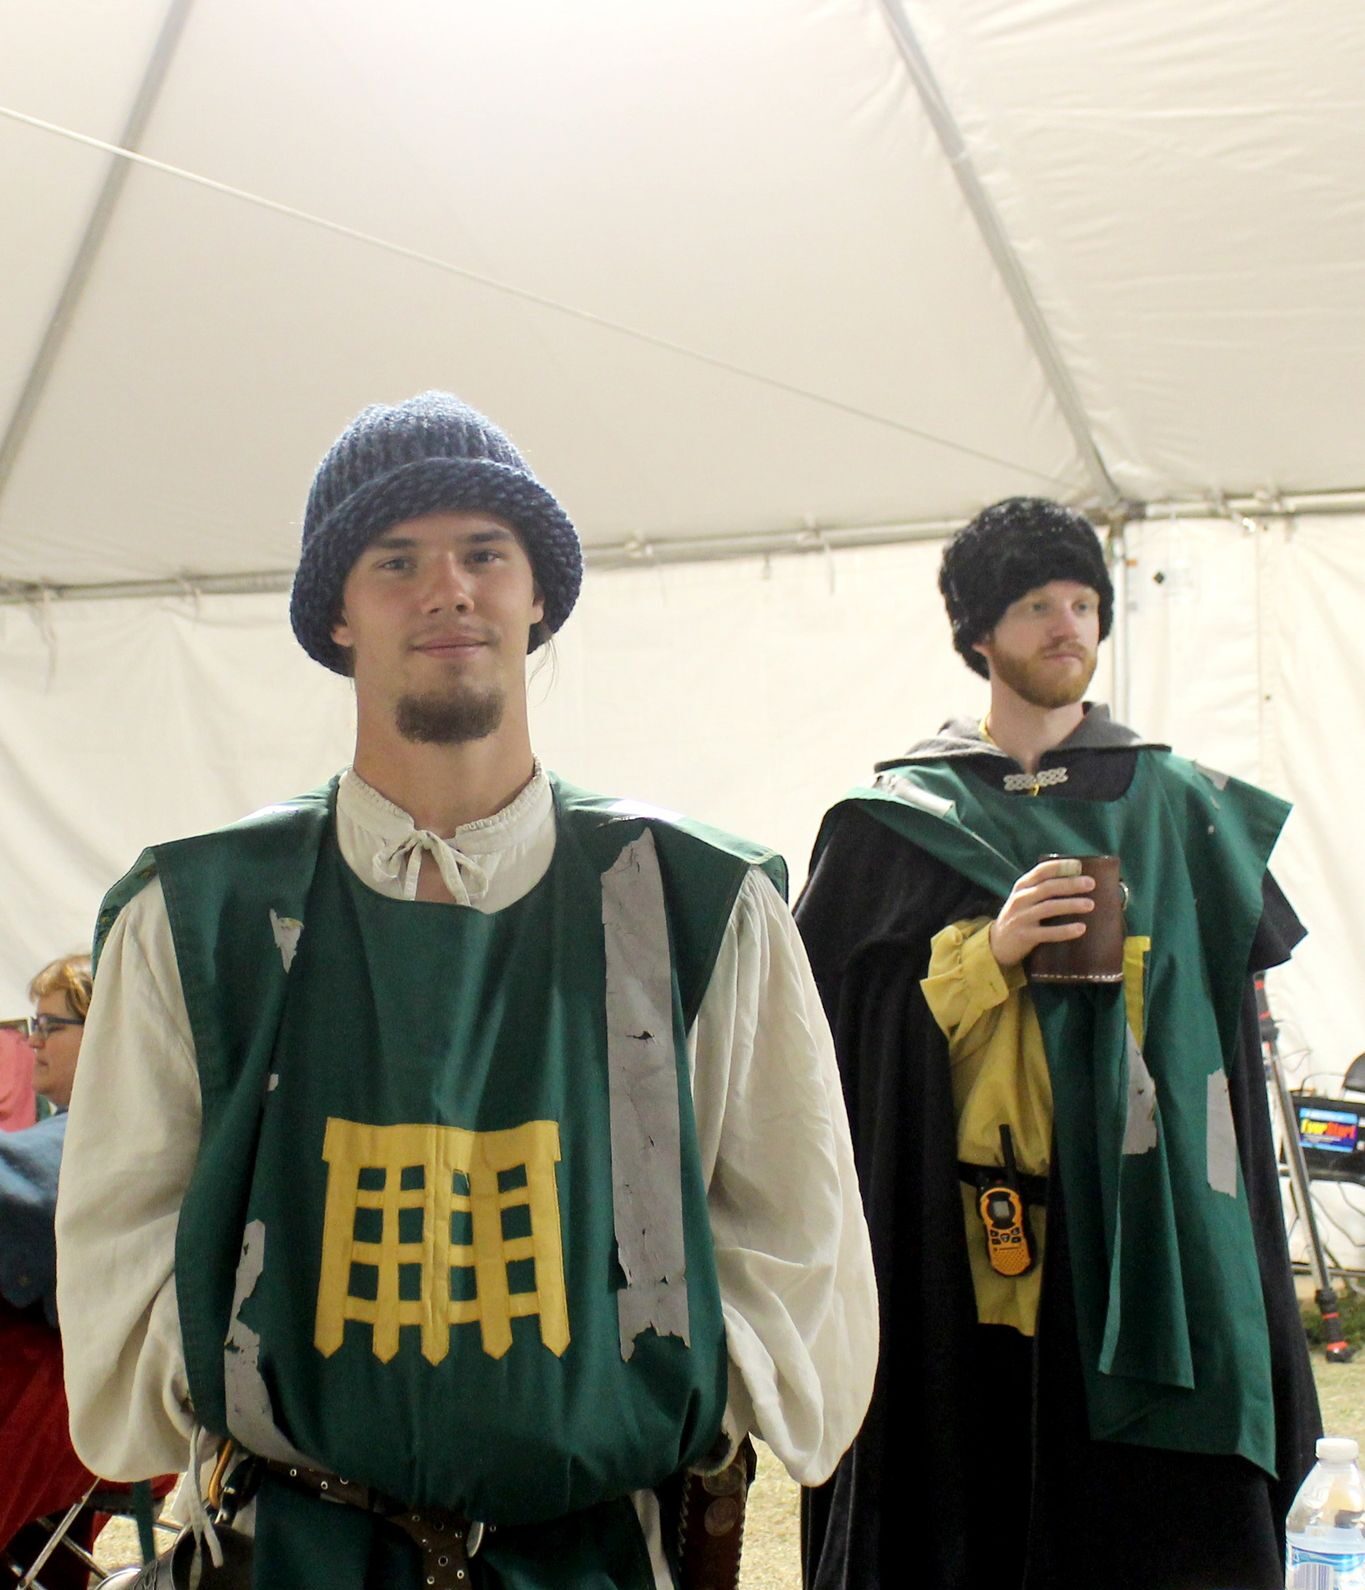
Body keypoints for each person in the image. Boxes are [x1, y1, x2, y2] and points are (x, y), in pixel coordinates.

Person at [56, 391, 876, 1590]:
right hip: (293, 1555)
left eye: (485, 553)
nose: (449, 589)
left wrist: (659, 1406)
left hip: (599, 1555)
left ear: (538, 596)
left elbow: (796, 1237)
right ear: (337, 612)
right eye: (397, 560)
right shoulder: (201, 916)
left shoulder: (695, 901)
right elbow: (122, 1242)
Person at [797, 497, 1319, 1590]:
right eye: (1037, 605)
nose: (1067, 625)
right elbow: (829, 1042)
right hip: (964, 1243)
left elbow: (1222, 1037)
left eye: (1083, 603)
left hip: (1147, 1232)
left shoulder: (1177, 809)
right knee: (970, 1485)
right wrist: (984, 954)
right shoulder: (899, 819)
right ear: (980, 634)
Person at [1, 955, 99, 1589]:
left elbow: (16, 1197)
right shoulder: (79, 1129)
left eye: (49, 1026)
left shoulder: (101, 1128)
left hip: (68, 1408)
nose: (32, 1041)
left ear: (105, 1031)